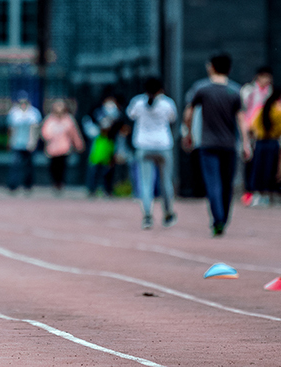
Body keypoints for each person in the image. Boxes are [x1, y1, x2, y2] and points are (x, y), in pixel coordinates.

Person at [182, 53, 243, 237]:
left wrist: (189, 134)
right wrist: (246, 143)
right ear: (229, 69)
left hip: (208, 144)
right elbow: (241, 119)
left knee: (213, 182)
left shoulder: (201, 88)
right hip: (229, 144)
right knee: (227, 183)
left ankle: (217, 219)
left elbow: (189, 112)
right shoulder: (234, 90)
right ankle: (223, 218)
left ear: (211, 67)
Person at [126, 77, 178, 229]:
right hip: (163, 145)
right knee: (166, 182)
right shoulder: (167, 103)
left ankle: (147, 216)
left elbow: (131, 115)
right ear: (161, 89)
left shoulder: (138, 102)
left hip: (143, 146)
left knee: (145, 183)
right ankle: (168, 213)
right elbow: (172, 119)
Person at [239, 67, 273, 206]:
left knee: (262, 163)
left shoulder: (270, 91)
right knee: (249, 160)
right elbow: (242, 109)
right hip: (249, 130)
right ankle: (249, 192)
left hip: (264, 132)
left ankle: (260, 192)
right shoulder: (249, 90)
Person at [245, 84, 281, 205]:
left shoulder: (261, 108)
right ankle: (269, 195)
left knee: (259, 169)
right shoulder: (280, 111)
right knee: (271, 170)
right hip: (273, 143)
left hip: (260, 143)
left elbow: (251, 126)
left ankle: (258, 196)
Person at [82, 90, 121, 197]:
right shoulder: (97, 111)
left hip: (110, 142)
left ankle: (108, 189)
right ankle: (92, 189)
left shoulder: (116, 112)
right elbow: (89, 123)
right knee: (94, 166)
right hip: (98, 141)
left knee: (108, 167)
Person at [40, 100, 83, 193]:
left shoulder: (68, 119)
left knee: (62, 166)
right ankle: (54, 182)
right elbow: (44, 132)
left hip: (64, 148)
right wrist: (48, 137)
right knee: (53, 167)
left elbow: (74, 133)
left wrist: (78, 144)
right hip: (52, 149)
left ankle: (60, 183)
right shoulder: (50, 119)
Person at [6, 92, 41, 194]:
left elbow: (35, 129)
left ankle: (28, 186)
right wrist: (10, 142)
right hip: (17, 143)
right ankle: (13, 186)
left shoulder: (34, 113)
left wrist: (33, 142)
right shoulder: (14, 113)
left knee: (29, 166)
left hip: (29, 144)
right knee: (15, 165)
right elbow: (11, 129)